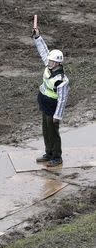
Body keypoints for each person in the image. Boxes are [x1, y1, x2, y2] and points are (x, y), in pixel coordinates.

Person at [32, 27, 70, 167]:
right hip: (45, 103)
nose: (48, 62)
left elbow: (62, 100)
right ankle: (48, 153)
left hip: (53, 108)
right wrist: (37, 37)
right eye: (49, 60)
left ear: (58, 63)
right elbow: (44, 51)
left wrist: (57, 116)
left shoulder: (62, 80)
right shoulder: (49, 66)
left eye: (52, 61)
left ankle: (56, 156)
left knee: (53, 132)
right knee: (46, 130)